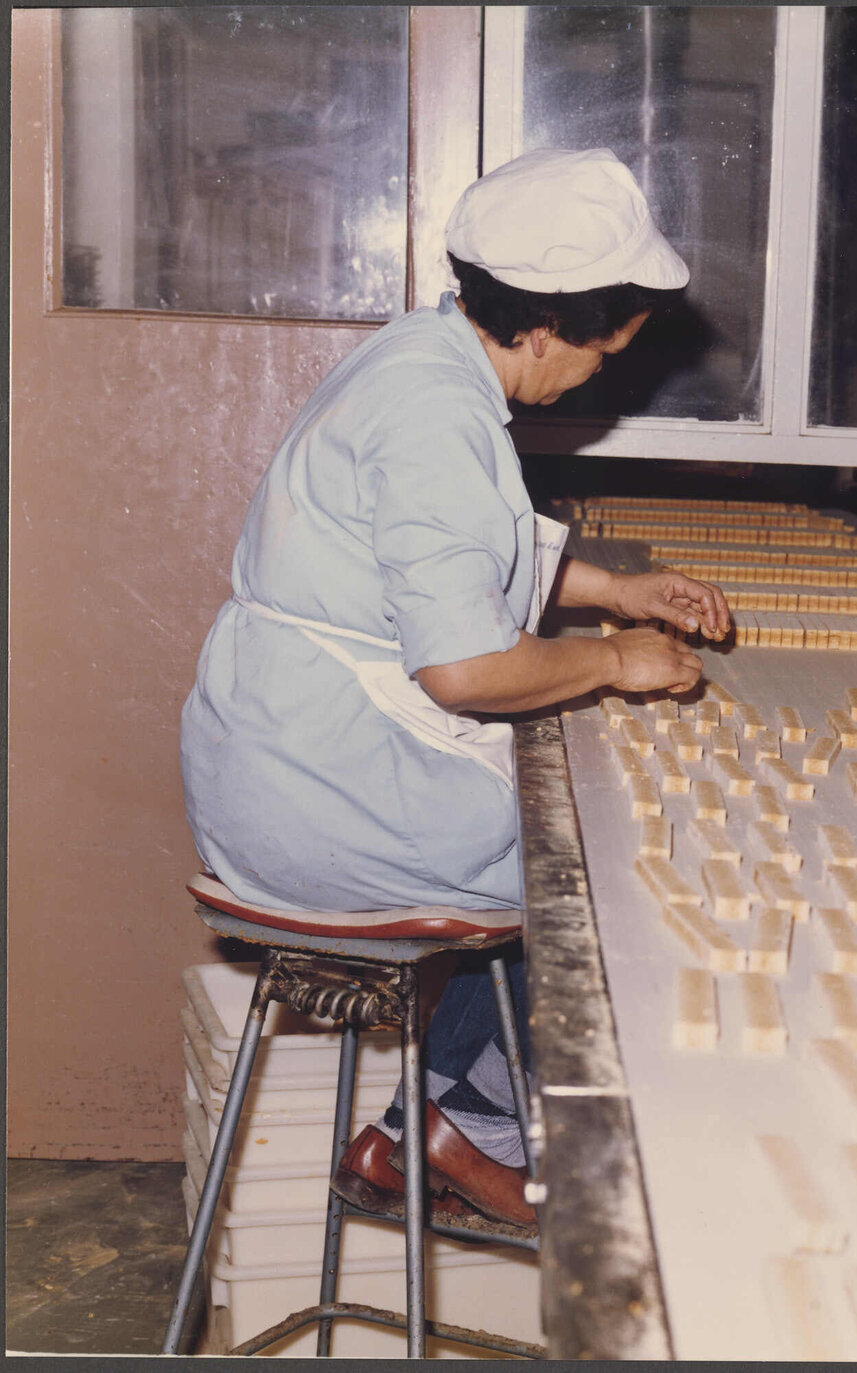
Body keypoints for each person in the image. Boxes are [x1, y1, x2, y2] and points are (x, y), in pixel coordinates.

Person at [180, 148, 731, 1232]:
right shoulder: (439, 414)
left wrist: (618, 589)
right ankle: (469, 1128)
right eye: (603, 348)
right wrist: (617, 661)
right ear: (545, 327)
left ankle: (423, 1126)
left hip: (291, 753)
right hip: (324, 794)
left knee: (564, 821)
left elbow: (454, 558)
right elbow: (469, 667)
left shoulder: (425, 355)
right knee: (612, 875)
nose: (600, 374)